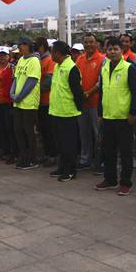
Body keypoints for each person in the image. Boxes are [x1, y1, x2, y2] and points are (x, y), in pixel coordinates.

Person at [94, 37, 136, 196]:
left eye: (116, 49)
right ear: (106, 51)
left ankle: (125, 183)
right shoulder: (104, 68)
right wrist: (100, 113)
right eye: (110, 49)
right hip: (108, 117)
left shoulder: (129, 68)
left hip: (123, 118)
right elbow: (102, 92)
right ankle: (110, 179)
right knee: (108, 151)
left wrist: (132, 113)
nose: (113, 52)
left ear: (121, 51)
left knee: (126, 152)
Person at [48, 41, 84, 181]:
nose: (51, 55)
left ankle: (70, 170)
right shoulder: (57, 66)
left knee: (68, 144)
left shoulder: (71, 68)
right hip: (56, 111)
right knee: (59, 143)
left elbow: (77, 92)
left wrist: (77, 108)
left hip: (68, 113)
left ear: (58, 53)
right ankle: (62, 167)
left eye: (52, 52)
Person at [76, 33, 106, 170]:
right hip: (82, 103)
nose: (88, 44)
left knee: (98, 133)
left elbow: (101, 82)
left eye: (91, 42)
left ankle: (100, 161)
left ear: (96, 44)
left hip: (95, 103)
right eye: (86, 42)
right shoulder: (80, 59)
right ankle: (85, 159)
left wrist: (88, 92)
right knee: (84, 133)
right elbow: (76, 78)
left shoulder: (102, 59)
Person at [10, 36, 41, 170]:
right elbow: (16, 78)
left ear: (28, 45)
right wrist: (12, 92)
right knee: (18, 130)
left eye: (22, 45)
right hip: (18, 102)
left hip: (28, 102)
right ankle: (23, 155)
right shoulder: (21, 60)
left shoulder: (34, 60)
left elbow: (32, 81)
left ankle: (32, 158)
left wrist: (20, 96)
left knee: (28, 131)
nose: (20, 47)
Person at [35, 37, 56, 165]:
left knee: (49, 131)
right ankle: (47, 154)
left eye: (36, 47)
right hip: (40, 101)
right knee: (43, 130)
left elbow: (49, 82)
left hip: (48, 101)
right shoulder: (38, 60)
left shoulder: (49, 60)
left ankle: (52, 155)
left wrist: (34, 89)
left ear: (42, 47)